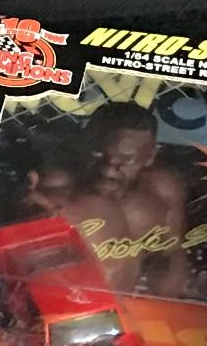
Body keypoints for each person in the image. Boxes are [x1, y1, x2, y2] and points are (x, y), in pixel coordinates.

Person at [20, 103, 190, 296]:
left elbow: (171, 254)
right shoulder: (51, 187)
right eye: (99, 154)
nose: (109, 170)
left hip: (130, 303)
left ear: (149, 157)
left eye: (126, 160)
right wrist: (31, 211)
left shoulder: (162, 191)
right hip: (64, 299)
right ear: (84, 143)